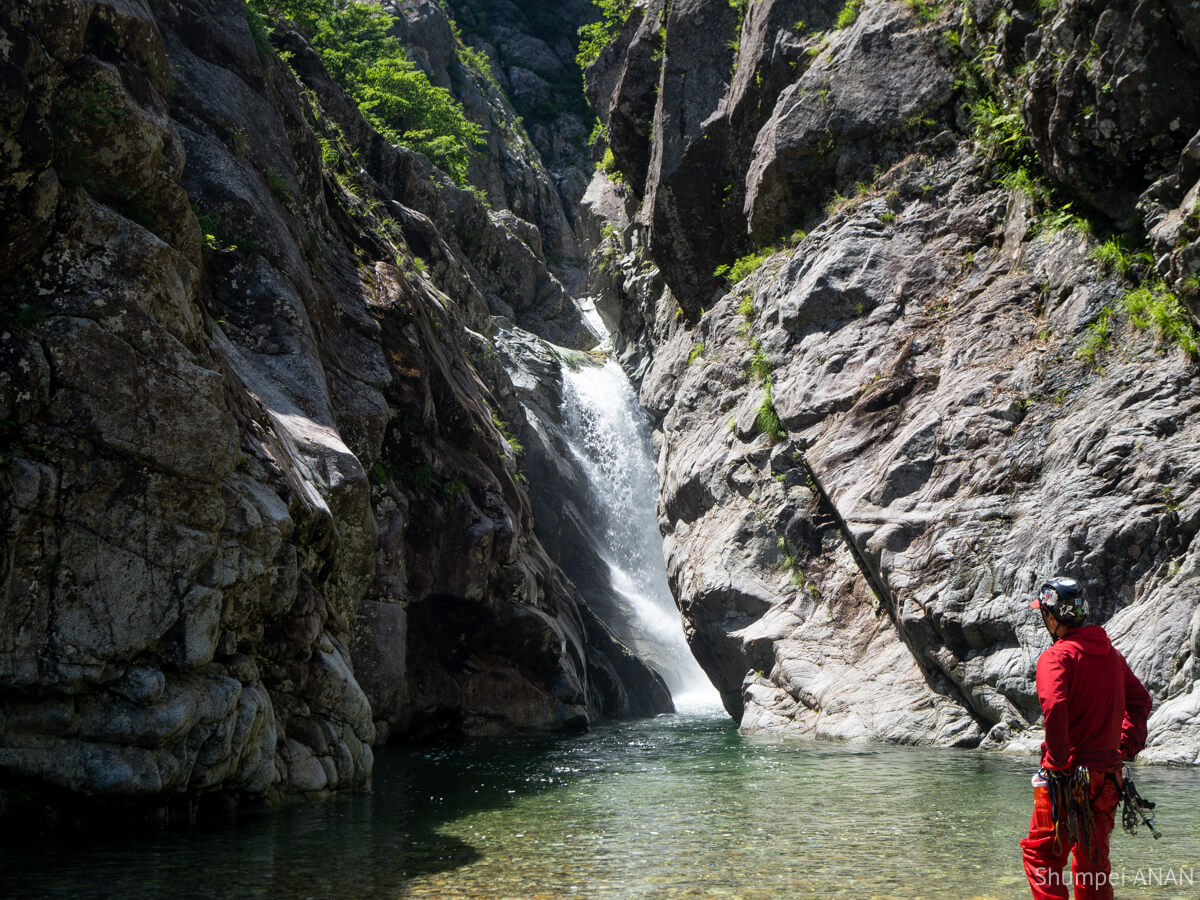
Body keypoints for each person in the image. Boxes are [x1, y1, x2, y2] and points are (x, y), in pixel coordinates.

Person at [1020, 576, 1153, 900]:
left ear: (1052, 617)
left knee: (1042, 856)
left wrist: (1058, 762)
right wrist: (1124, 747)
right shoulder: (1112, 657)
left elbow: (1055, 706)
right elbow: (1141, 703)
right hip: (1108, 775)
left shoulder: (1056, 658)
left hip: (1066, 778)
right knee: (1093, 862)